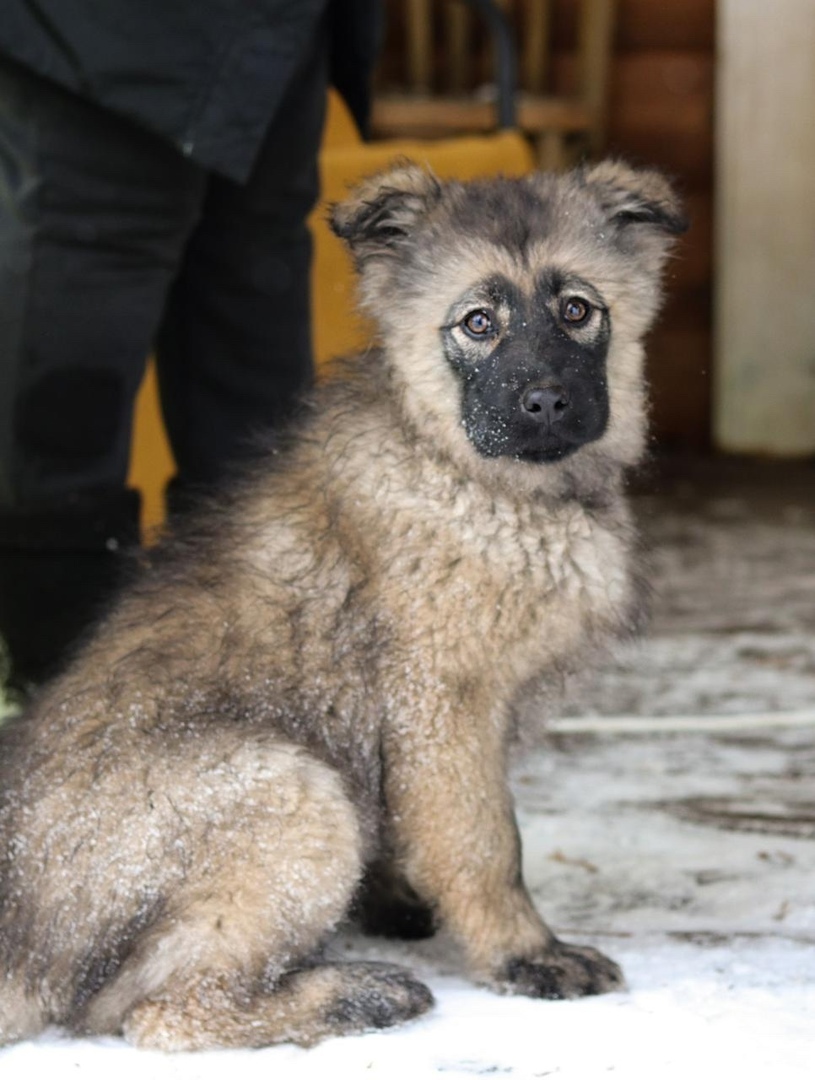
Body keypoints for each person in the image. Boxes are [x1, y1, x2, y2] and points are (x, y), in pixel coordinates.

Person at [0, 0, 380, 692]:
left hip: (280, 35)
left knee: (249, 326)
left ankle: (252, 692)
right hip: (98, 40)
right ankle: (51, 695)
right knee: (74, 328)